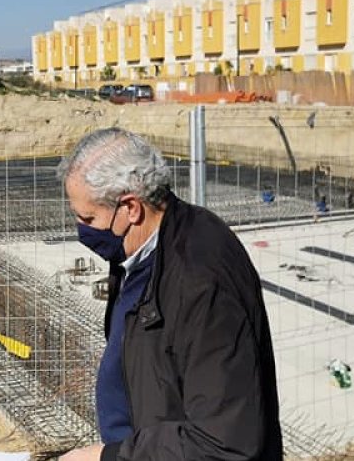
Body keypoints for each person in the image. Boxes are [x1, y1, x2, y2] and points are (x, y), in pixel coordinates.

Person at [58, 128, 282, 461]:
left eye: (87, 217)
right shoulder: (137, 251)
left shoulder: (201, 280)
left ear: (131, 208)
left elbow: (224, 443)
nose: (82, 229)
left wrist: (108, 457)